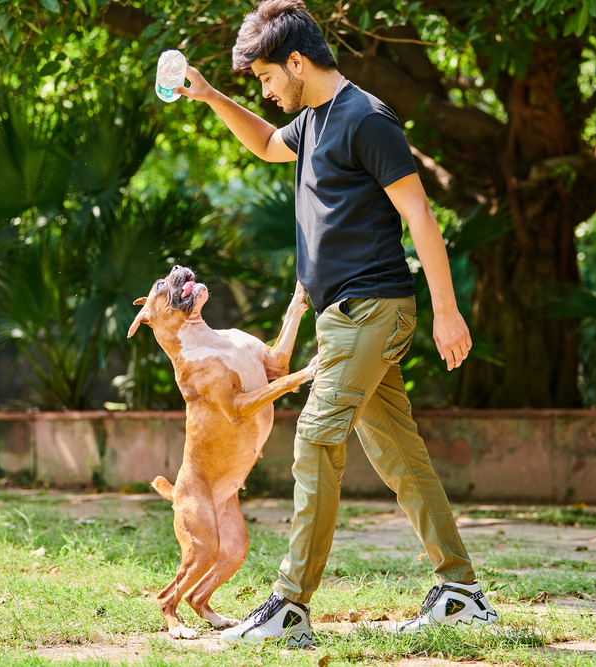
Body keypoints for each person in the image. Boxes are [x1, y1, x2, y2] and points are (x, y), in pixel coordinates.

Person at [174, 0, 498, 647]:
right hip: (341, 319)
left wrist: (448, 310)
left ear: (297, 61)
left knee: (315, 438)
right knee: (399, 454)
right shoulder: (313, 120)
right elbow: (267, 144)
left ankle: (290, 603)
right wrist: (209, 95)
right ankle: (460, 590)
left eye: (267, 77)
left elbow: (419, 215)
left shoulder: (366, 118)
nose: (265, 91)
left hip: (374, 307)